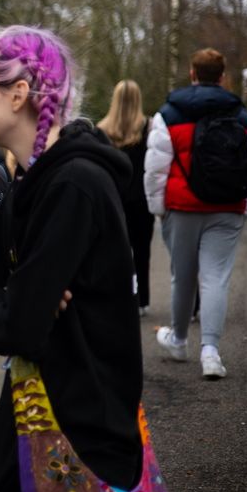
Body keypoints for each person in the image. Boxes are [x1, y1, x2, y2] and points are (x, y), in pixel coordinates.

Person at [0, 26, 142, 492]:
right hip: (32, 428)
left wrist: (10, 306)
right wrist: (10, 301)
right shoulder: (27, 186)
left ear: (18, 93)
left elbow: (19, 324)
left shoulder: (75, 185)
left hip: (81, 437)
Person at [144, 47, 247, 379]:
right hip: (227, 206)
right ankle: (210, 352)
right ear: (223, 77)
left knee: (182, 276)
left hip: (182, 207)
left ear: (193, 74)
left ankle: (180, 340)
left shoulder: (169, 114)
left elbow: (155, 168)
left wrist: (158, 208)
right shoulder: (242, 117)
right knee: (216, 277)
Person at [97, 79, 155, 315]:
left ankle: (118, 295)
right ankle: (142, 300)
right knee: (142, 252)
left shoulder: (102, 131)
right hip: (142, 200)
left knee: (115, 251)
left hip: (114, 199)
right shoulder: (149, 127)